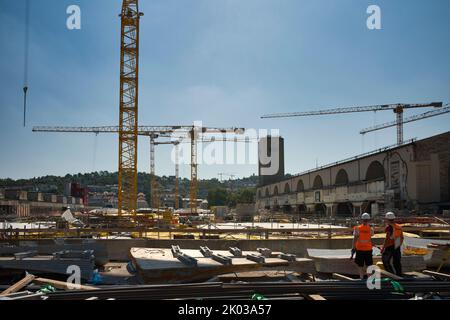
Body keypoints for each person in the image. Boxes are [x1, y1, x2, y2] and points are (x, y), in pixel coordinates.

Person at [352, 213, 374, 279]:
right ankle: (369, 278)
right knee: (368, 265)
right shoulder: (371, 229)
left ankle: (361, 278)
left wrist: (353, 247)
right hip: (368, 249)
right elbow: (370, 237)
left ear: (362, 220)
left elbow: (355, 239)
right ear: (369, 220)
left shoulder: (357, 228)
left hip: (360, 249)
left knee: (360, 265)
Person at [381, 212, 404, 276]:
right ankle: (399, 275)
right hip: (397, 245)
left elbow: (387, 238)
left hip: (390, 246)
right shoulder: (399, 227)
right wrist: (398, 245)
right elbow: (402, 237)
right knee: (397, 262)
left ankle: (391, 275)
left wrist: (383, 248)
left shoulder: (389, 227)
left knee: (385, 260)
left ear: (387, 219)